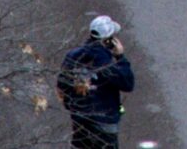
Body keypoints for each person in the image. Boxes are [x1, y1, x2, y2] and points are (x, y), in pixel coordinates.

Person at [55, 16, 134, 149]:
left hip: (79, 120)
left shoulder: (73, 56)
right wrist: (120, 57)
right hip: (104, 122)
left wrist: (74, 107)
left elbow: (62, 85)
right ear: (108, 40)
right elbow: (127, 84)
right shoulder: (105, 62)